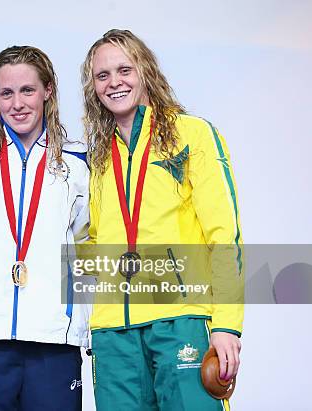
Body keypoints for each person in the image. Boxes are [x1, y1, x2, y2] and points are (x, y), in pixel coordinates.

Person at [81, 29, 244, 410]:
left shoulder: (192, 134)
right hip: (113, 332)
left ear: (146, 70)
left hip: (180, 319)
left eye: (124, 69)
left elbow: (224, 233)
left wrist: (225, 324)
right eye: (102, 76)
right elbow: (89, 242)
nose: (114, 82)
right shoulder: (95, 157)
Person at [0, 46, 90, 410]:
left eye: (27, 90)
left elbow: (86, 238)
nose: (17, 103)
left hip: (54, 338)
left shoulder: (78, 163)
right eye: (6, 93)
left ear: (48, 90)